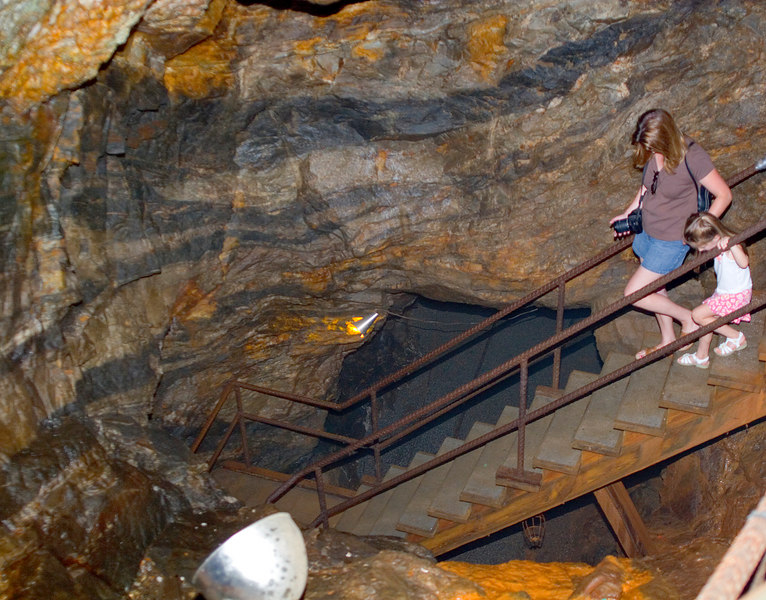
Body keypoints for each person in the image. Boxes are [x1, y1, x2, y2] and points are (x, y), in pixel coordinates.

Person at [610, 109, 732, 359]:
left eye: (654, 146)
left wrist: (701, 229)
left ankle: (689, 319)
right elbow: (645, 189)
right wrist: (628, 213)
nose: (651, 152)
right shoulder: (657, 154)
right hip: (648, 232)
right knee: (656, 288)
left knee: (634, 294)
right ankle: (668, 338)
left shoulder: (693, 157)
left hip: (672, 240)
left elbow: (724, 195)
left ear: (665, 138)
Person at [676, 212, 751, 368]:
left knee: (698, 315)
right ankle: (701, 357)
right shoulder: (717, 244)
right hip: (725, 293)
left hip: (736, 296)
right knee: (707, 322)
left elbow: (744, 263)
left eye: (703, 247)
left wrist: (732, 244)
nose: (702, 251)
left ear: (716, 238)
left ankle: (736, 337)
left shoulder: (731, 246)